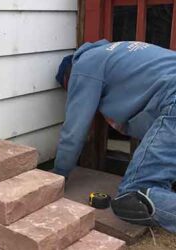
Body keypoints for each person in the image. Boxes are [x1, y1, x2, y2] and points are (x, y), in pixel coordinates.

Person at [53, 39, 176, 233]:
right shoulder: (116, 52)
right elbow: (152, 124)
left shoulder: (84, 66)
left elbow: (73, 131)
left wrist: (58, 175)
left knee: (134, 195)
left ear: (69, 78)